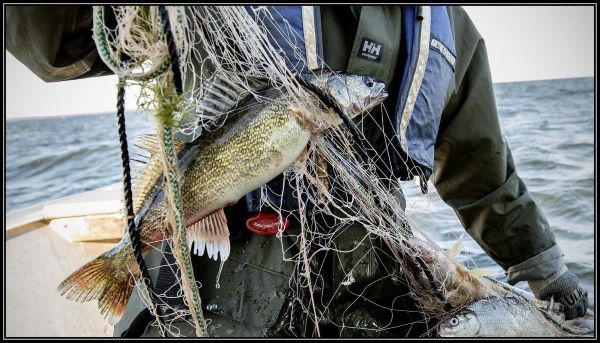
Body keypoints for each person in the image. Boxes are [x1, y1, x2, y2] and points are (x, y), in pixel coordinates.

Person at [6, 5, 588, 337]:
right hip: (208, 293)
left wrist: (541, 265)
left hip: (377, 298)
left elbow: (482, 168)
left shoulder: (447, 27)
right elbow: (53, 43)